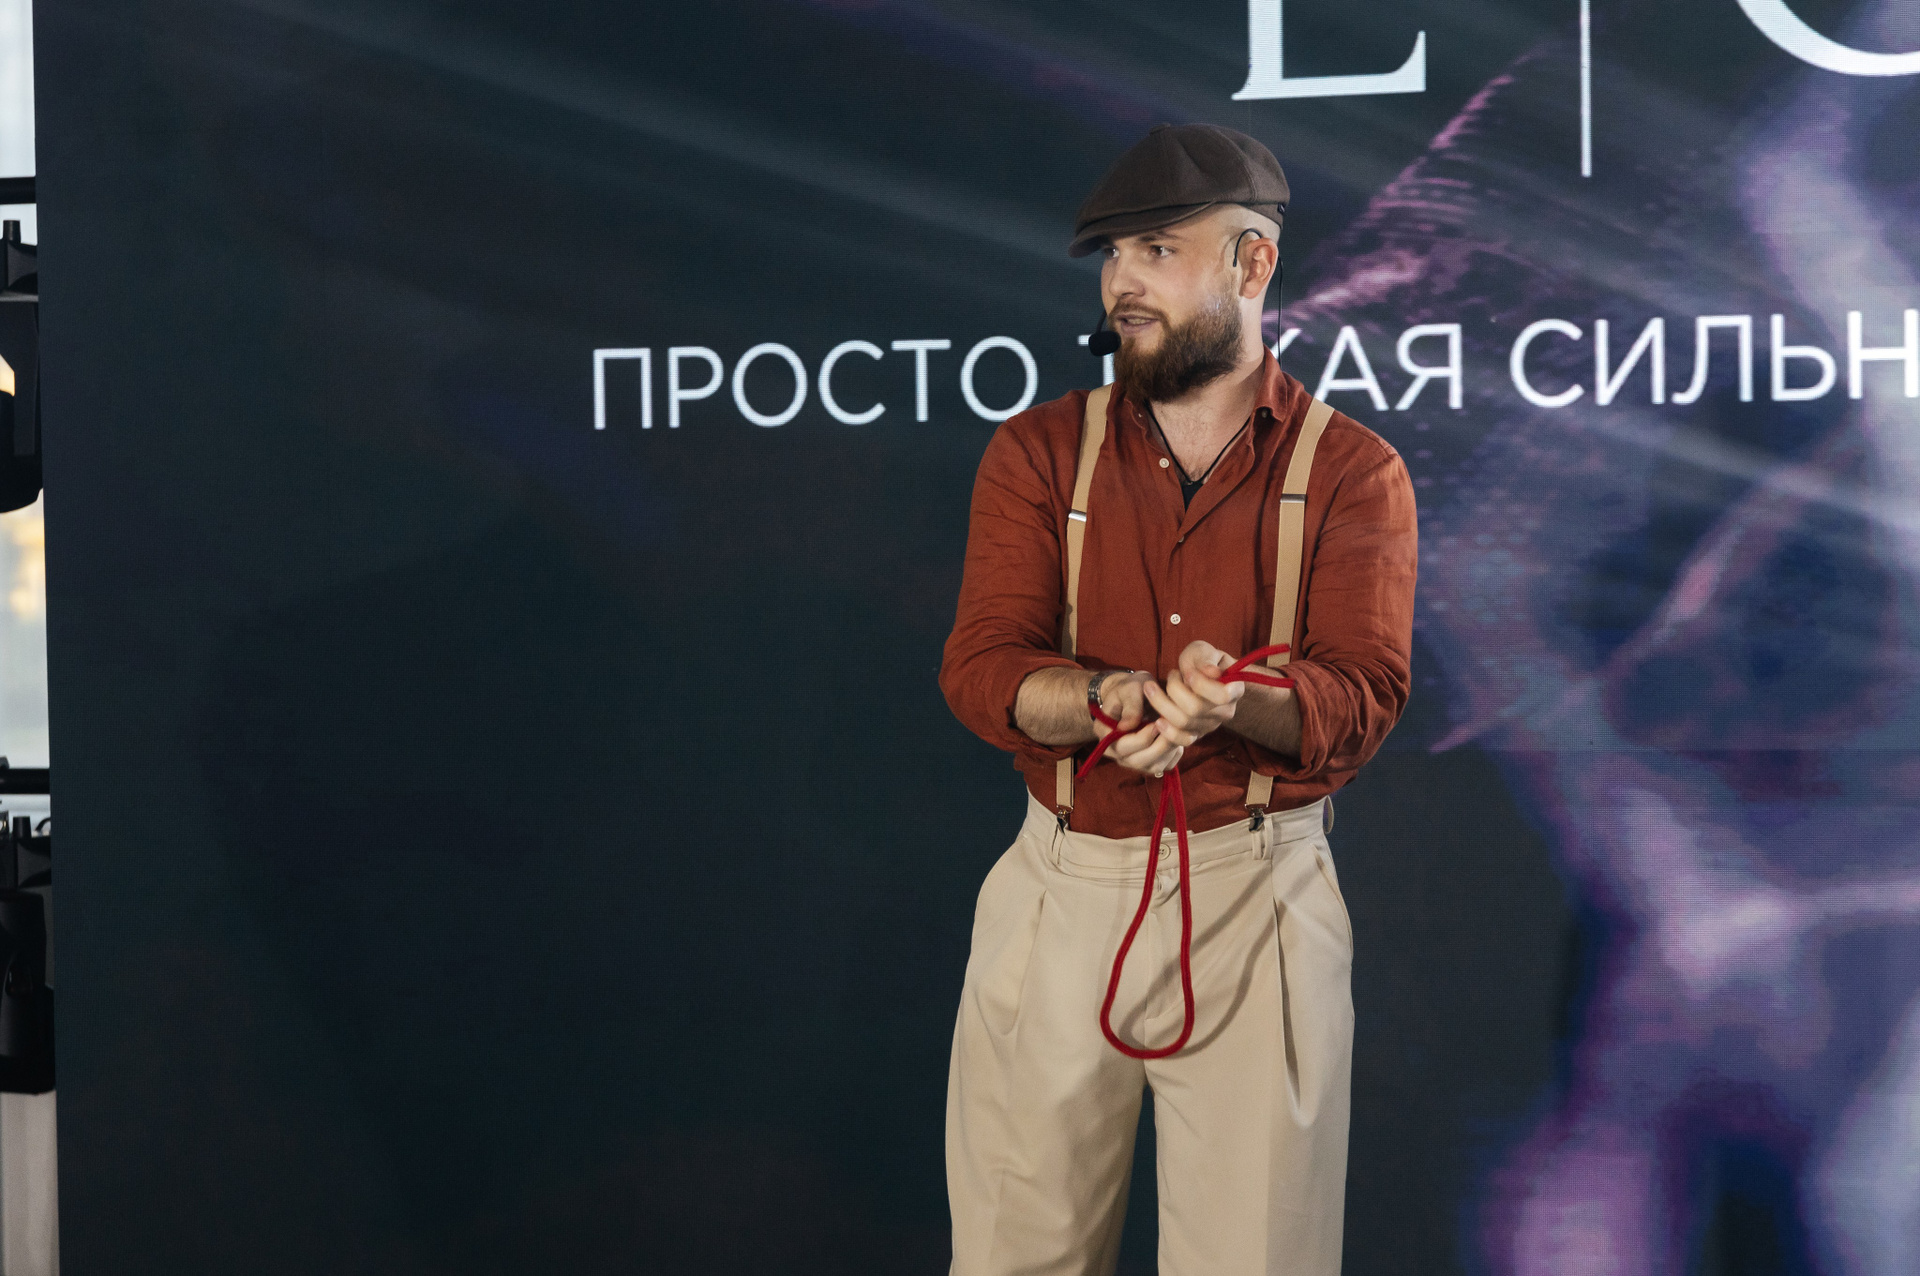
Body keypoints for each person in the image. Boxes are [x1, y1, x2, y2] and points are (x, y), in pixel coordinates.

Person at [938, 123, 1418, 1275]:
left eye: (1156, 250)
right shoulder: (1039, 452)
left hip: (1258, 893)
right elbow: (983, 668)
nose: (1122, 285)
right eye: (1113, 256)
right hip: (1060, 889)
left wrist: (1233, 703)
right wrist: (1109, 695)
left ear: (1252, 264)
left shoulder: (1352, 470)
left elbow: (1361, 696)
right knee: (1013, 1256)